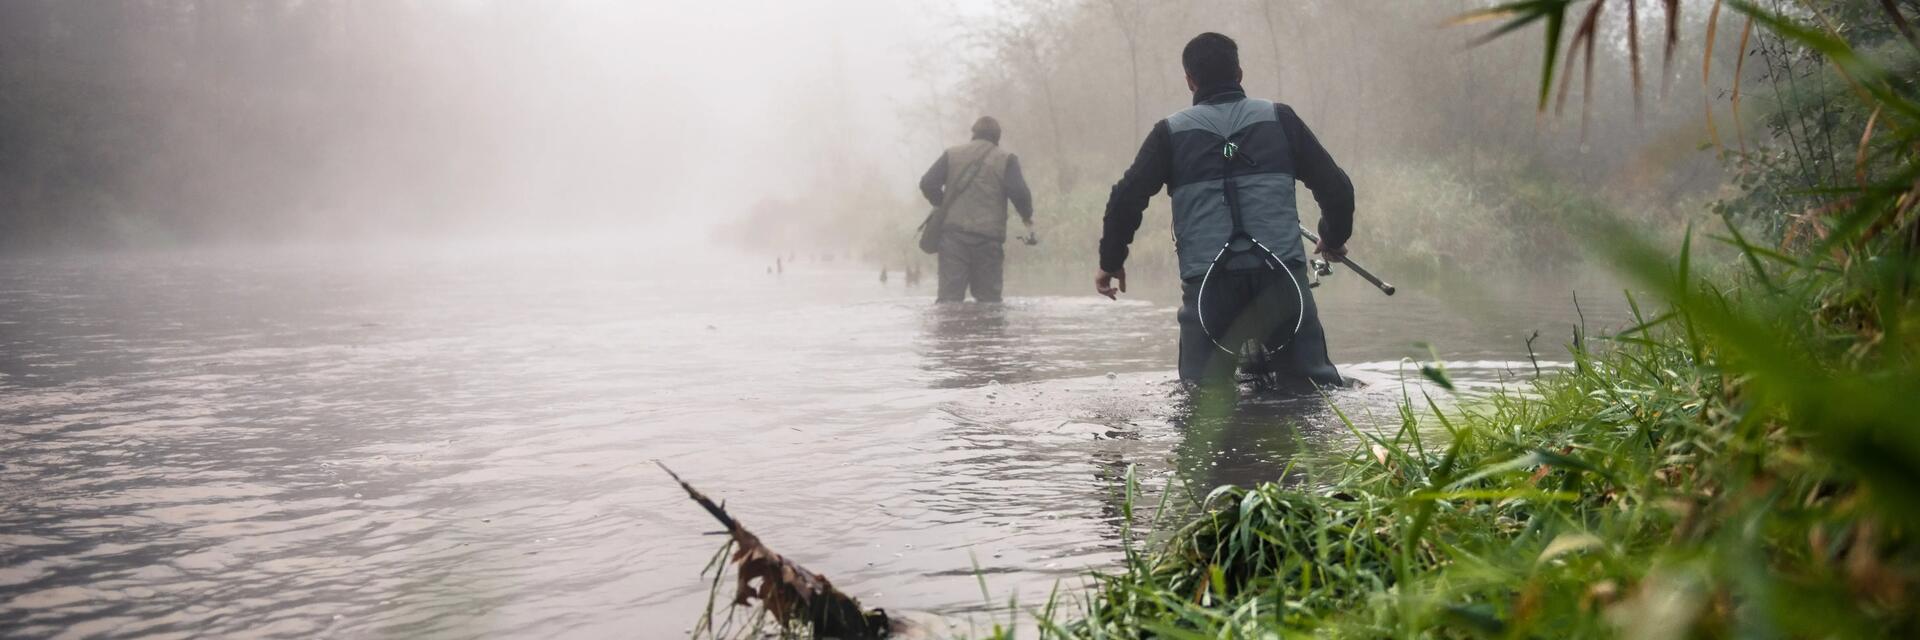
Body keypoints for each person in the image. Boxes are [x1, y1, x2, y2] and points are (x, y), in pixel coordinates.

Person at [1095, 32, 1353, 390]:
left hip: (1208, 288)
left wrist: (1111, 261)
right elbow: (1337, 189)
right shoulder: (1281, 119)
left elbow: (1125, 200)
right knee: (1313, 392)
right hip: (1281, 279)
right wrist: (1333, 237)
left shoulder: (1168, 133)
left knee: (1200, 401)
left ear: (1190, 80)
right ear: (1240, 73)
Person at [919, 116, 1036, 303]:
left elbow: (928, 183)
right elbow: (1019, 193)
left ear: (973, 133)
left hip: (953, 239)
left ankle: (949, 331)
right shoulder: (1007, 159)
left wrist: (941, 202)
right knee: (989, 303)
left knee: (949, 302)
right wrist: (1026, 217)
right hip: (988, 241)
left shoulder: (952, 154)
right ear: (997, 137)